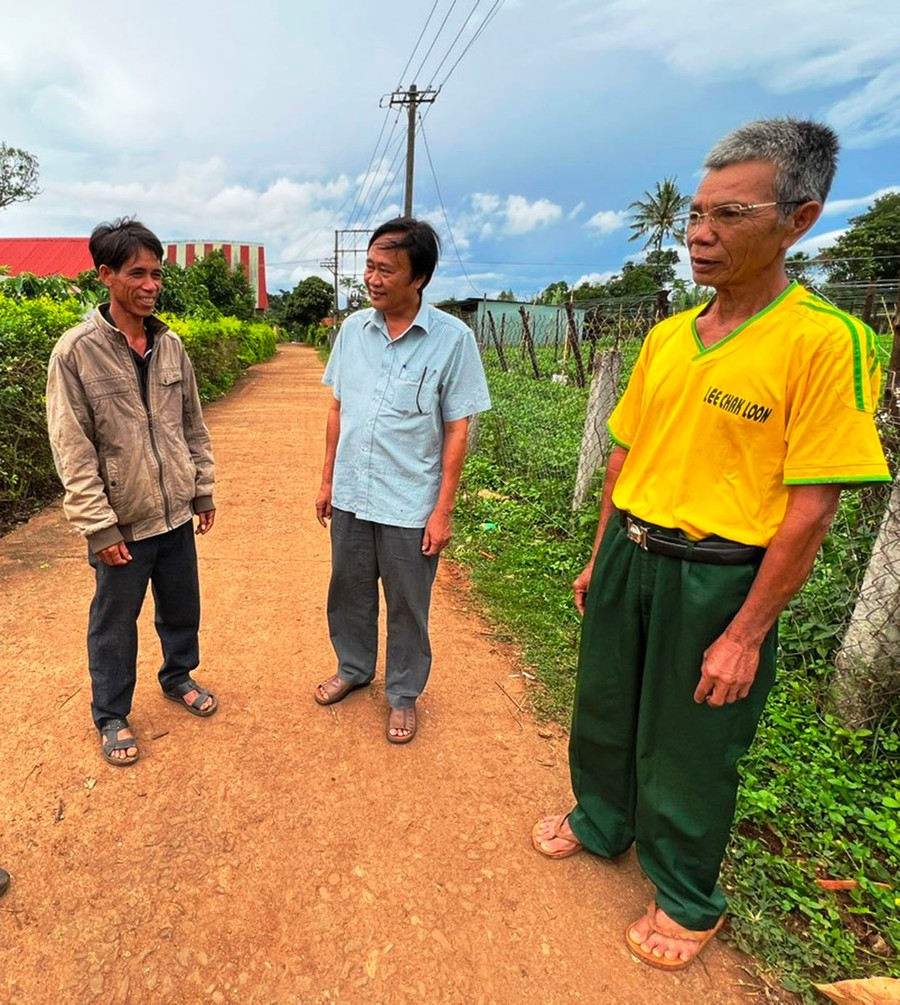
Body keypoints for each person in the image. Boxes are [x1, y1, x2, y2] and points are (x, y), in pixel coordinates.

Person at [532, 119, 890, 969]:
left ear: (798, 220)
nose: (700, 233)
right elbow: (625, 454)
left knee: (694, 743)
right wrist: (597, 554)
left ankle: (689, 894)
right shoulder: (667, 336)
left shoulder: (826, 341)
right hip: (630, 548)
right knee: (607, 707)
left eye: (729, 214)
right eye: (696, 212)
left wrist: (745, 632)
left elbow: (811, 509)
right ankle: (600, 819)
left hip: (719, 575)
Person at [47, 219, 218, 767]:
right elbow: (72, 449)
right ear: (106, 276)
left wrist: (202, 490)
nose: (151, 284)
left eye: (157, 273)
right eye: (137, 273)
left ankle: (178, 675)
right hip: (123, 522)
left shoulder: (170, 346)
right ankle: (112, 713)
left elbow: (192, 423)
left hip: (174, 514)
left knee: (181, 605)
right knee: (114, 621)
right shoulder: (75, 353)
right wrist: (99, 526)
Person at [314, 217, 491, 743]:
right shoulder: (352, 331)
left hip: (410, 502)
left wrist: (443, 510)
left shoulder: (453, 340)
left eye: (385, 269)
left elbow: (458, 429)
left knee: (409, 604)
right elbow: (337, 407)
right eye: (369, 266)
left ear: (418, 279)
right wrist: (326, 481)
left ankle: (404, 694)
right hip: (352, 492)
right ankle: (352, 668)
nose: (372, 278)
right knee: (348, 591)